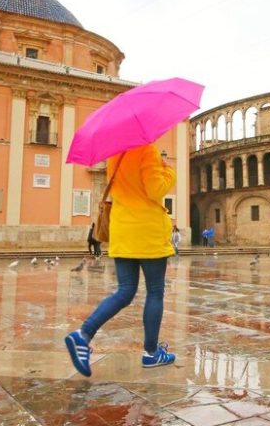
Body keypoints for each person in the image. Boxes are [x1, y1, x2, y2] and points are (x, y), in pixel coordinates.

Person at [65, 143, 177, 377]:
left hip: (122, 230)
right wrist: (168, 171)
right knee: (155, 292)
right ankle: (151, 353)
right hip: (147, 231)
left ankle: (83, 334)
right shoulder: (148, 150)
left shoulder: (115, 153)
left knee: (125, 291)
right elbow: (155, 189)